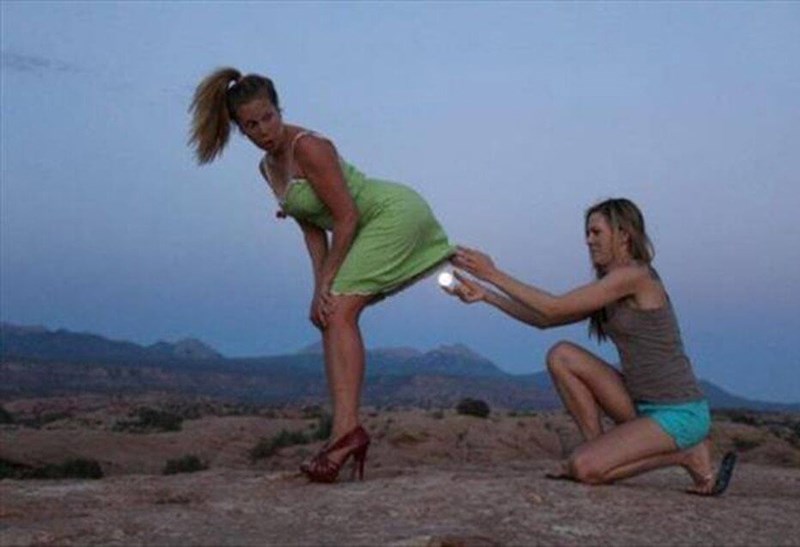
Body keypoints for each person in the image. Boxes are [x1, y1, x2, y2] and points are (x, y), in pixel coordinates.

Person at [189, 68, 454, 483]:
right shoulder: (267, 167)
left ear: (280, 109)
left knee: (341, 310)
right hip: (360, 227)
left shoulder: (309, 147)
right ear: (241, 129)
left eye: (268, 117)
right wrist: (319, 290)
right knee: (329, 314)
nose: (263, 130)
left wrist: (330, 283)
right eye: (251, 125)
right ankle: (342, 433)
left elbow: (346, 217)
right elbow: (312, 229)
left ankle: (346, 434)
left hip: (391, 215)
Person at [445, 198, 736, 495]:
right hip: (640, 405)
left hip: (680, 413)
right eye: (587, 233)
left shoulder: (635, 276)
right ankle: (596, 451)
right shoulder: (610, 285)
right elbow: (544, 320)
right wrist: (487, 295)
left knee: (584, 468)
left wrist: (492, 273)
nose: (588, 240)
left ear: (623, 235)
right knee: (562, 355)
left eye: (596, 232)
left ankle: (687, 454)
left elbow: (553, 307)